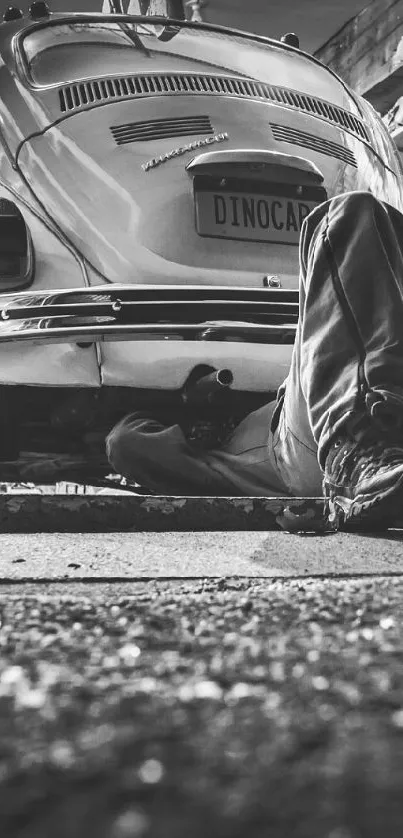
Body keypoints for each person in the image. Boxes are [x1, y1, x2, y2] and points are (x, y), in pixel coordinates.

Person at [106, 191, 403, 531]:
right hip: (304, 452)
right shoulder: (223, 465)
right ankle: (356, 456)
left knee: (382, 231)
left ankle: (364, 451)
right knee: (345, 217)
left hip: (342, 411)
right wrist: (189, 413)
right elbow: (125, 442)